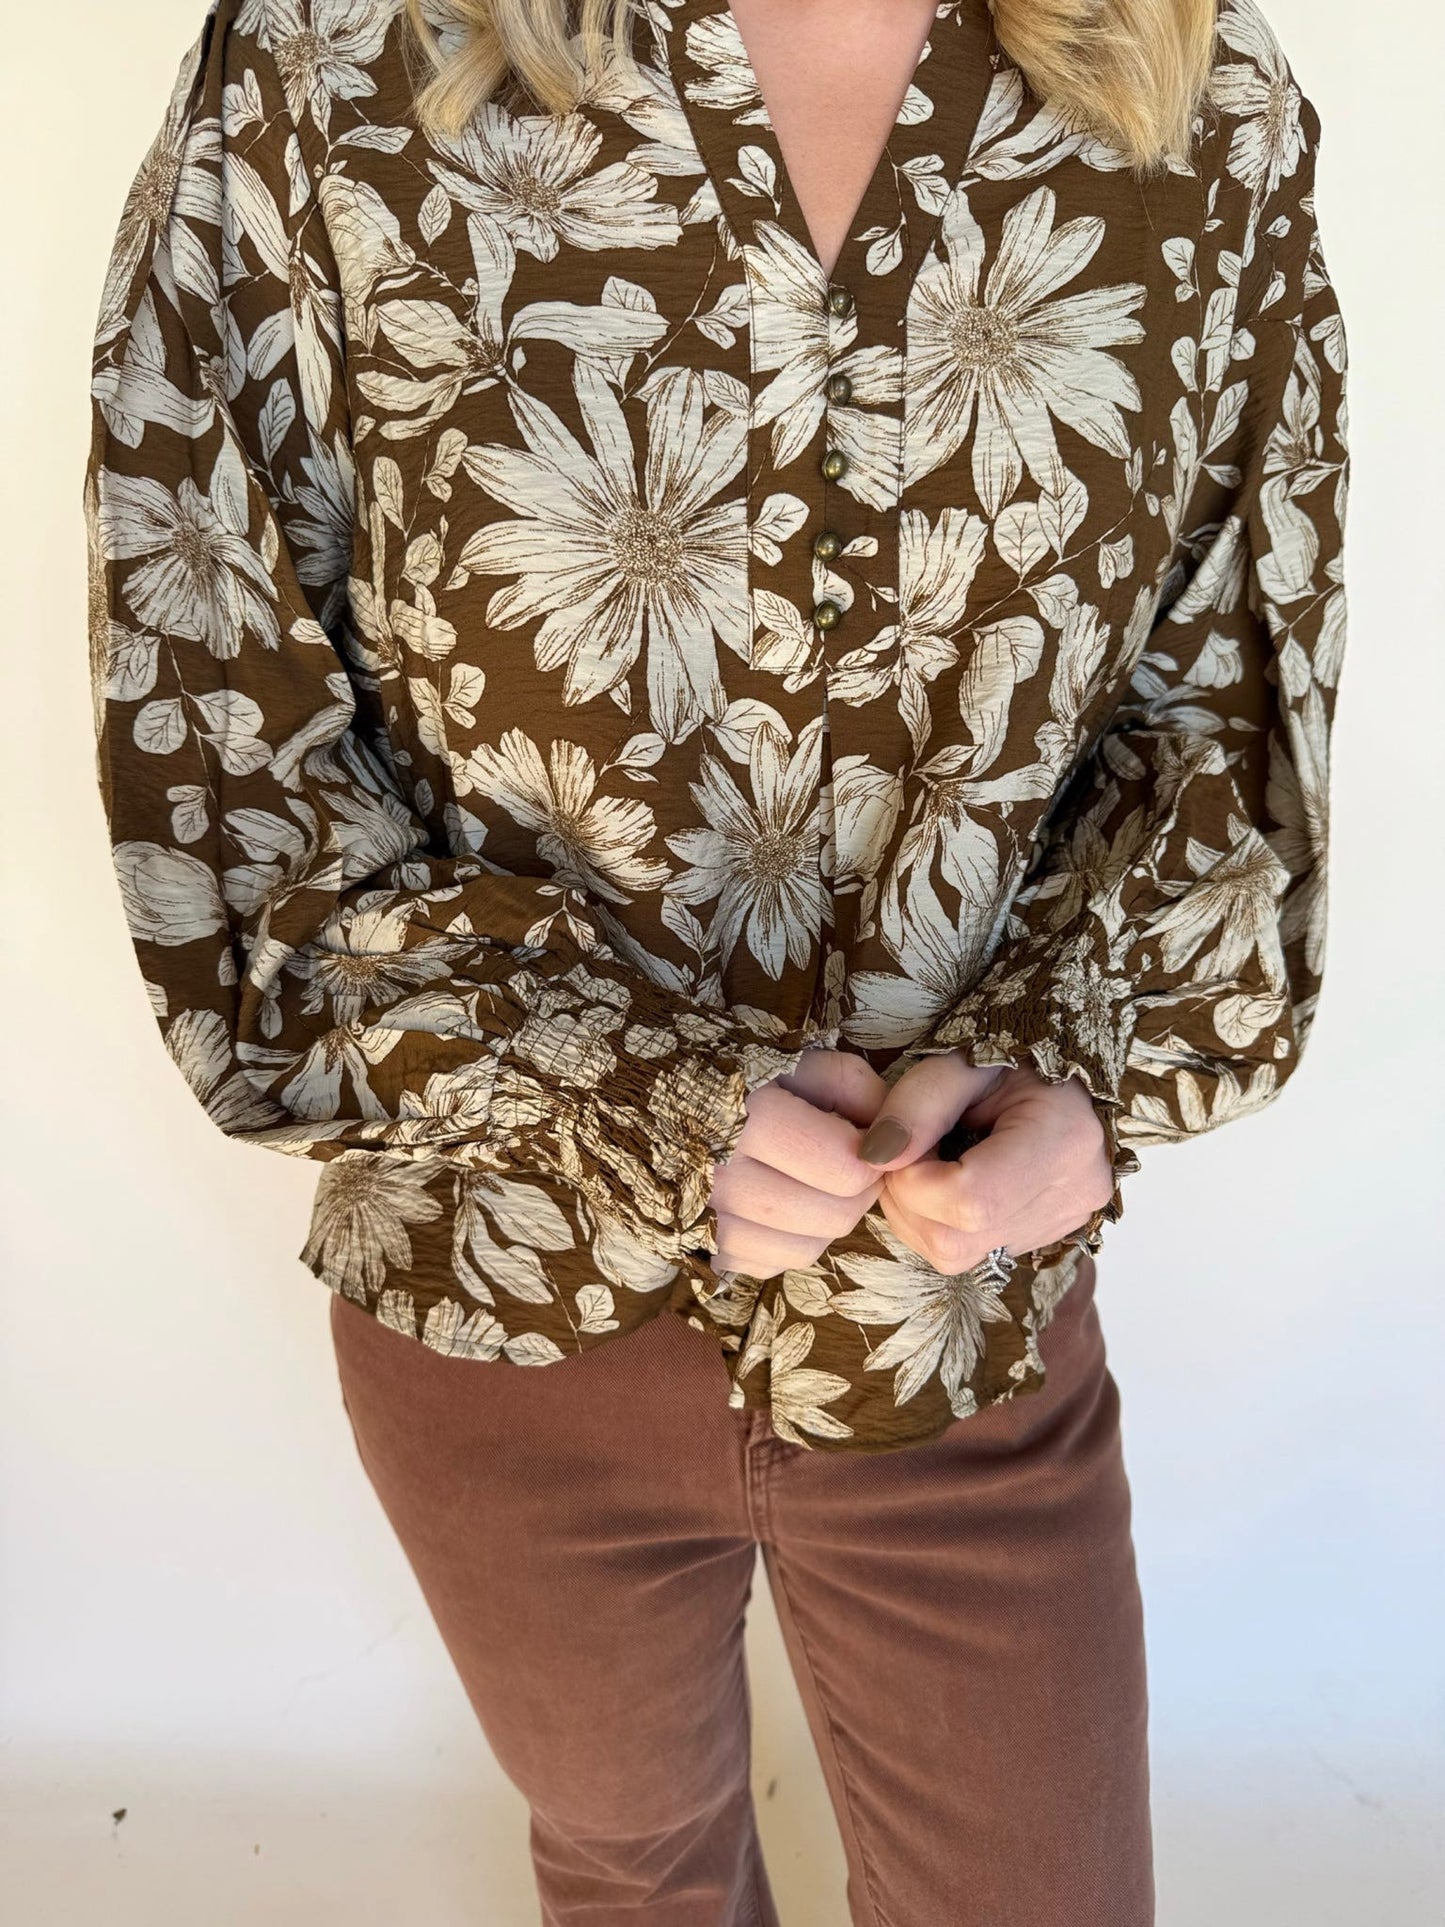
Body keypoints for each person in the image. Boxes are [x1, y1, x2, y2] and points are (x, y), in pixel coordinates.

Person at [83, 0, 1349, 1918]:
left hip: (953, 1315)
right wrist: (637, 1101)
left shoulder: (1193, 96)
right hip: (499, 1303)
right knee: (631, 1858)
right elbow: (222, 746)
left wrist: (1083, 1071)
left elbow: (1223, 706)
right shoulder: (332, 59)